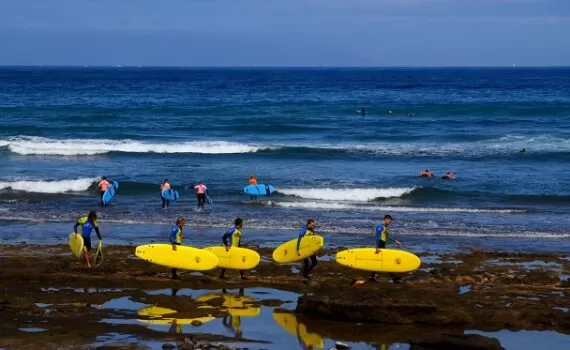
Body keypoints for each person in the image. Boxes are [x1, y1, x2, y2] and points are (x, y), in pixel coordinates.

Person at [370, 214, 402, 283]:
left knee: (379, 261)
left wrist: (395, 241)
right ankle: (394, 277)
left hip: (382, 245)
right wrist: (377, 247)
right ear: (386, 219)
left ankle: (372, 277)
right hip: (380, 245)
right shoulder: (380, 227)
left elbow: (387, 236)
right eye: (389, 221)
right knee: (384, 261)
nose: (390, 223)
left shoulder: (385, 227)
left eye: (390, 222)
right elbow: (377, 237)